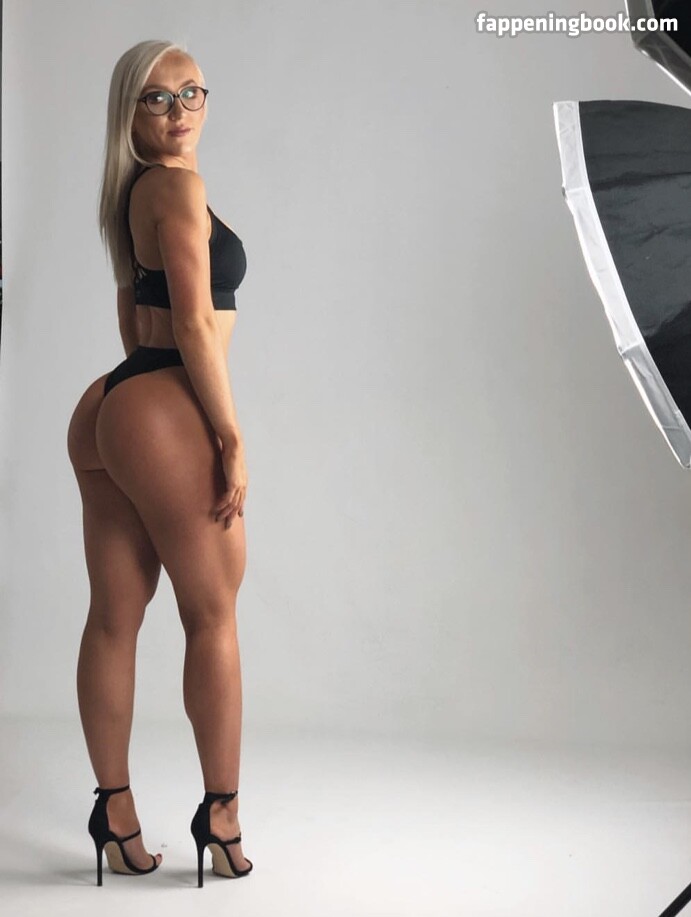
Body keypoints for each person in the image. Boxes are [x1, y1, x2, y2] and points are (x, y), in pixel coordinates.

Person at [66, 39, 253, 888]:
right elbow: (190, 322)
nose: (179, 111)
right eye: (157, 97)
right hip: (163, 404)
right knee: (212, 615)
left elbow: (129, 309)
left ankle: (114, 812)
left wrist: (132, 416)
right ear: (131, 111)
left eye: (191, 92)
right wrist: (227, 433)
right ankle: (221, 816)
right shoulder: (176, 187)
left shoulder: (130, 191)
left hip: (108, 405)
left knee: (114, 616)